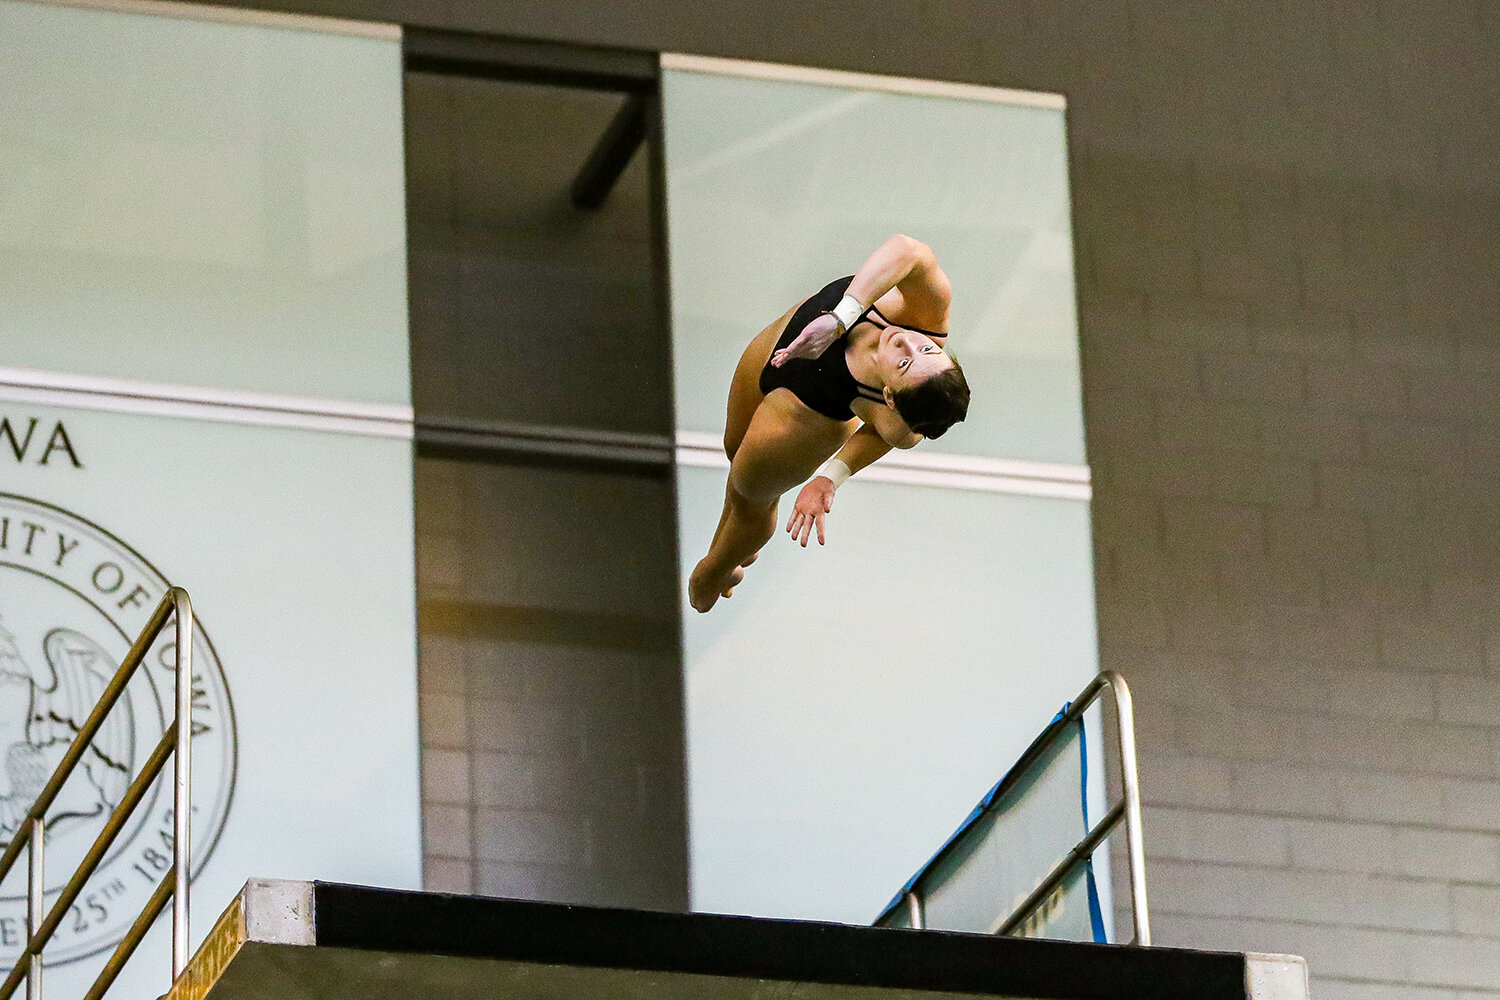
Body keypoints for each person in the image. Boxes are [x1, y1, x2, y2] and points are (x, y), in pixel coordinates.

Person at [688, 234, 970, 613]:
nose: (905, 342)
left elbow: (888, 437)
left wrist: (829, 477)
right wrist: (841, 318)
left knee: (748, 497)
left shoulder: (895, 422)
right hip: (784, 340)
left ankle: (711, 574)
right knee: (732, 448)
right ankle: (734, 549)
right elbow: (910, 250)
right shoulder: (927, 311)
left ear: (888, 396)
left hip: (805, 414)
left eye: (903, 364)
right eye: (927, 349)